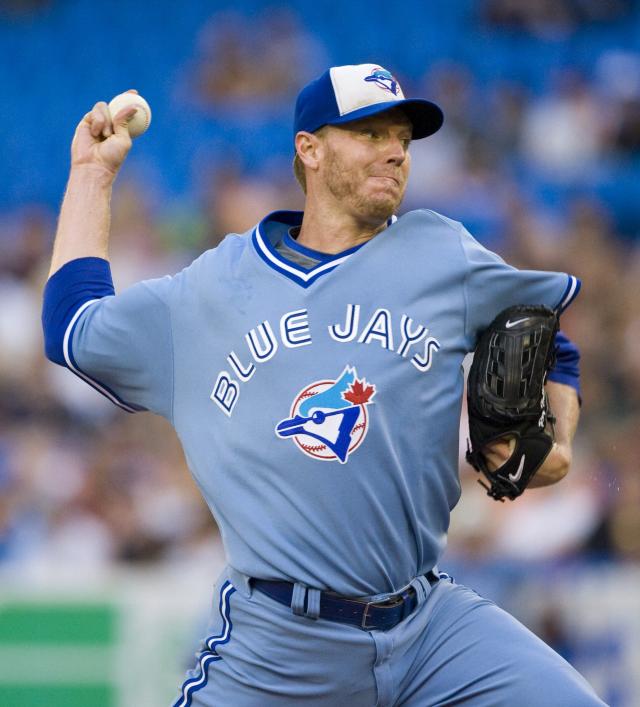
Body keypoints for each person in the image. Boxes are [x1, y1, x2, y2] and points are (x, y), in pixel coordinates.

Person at [42, 63, 605, 706]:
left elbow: (548, 335)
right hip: (280, 646)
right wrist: (93, 175)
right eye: (369, 134)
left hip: (430, 629)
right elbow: (71, 329)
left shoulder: (442, 252)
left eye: (402, 137)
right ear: (309, 149)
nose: (395, 150)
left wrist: (557, 439)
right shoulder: (210, 291)